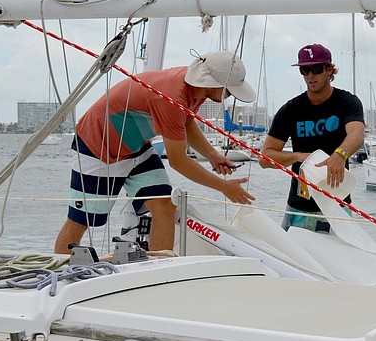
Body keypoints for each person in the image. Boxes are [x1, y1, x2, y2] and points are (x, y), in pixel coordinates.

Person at [54, 51, 257, 254]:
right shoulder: (171, 97)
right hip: (98, 147)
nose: (230, 95)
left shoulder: (197, 91)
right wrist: (224, 187)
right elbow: (178, 161)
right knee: (81, 221)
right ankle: (58, 267)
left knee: (165, 206)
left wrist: (212, 155)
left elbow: (186, 122)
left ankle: (160, 264)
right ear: (211, 83)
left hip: (136, 148)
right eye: (228, 90)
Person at [259, 43, 365, 232]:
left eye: (316, 69)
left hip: (336, 205)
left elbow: (356, 134)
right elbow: (265, 158)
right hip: (299, 206)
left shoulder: (347, 102)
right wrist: (297, 156)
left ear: (329, 70)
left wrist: (340, 154)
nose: (310, 76)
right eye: (305, 70)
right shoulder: (290, 110)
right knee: (290, 252)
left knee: (339, 252)